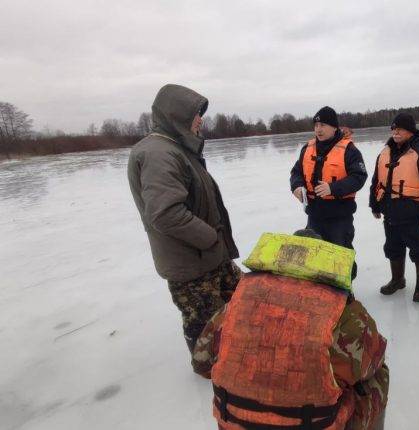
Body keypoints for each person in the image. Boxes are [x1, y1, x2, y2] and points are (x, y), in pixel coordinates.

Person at [193, 230, 389, 430]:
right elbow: (376, 356)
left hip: (234, 424)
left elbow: (200, 363)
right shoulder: (341, 313)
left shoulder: (238, 302)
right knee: (378, 376)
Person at [127, 84, 241, 369]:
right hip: (192, 266)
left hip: (211, 257)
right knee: (206, 330)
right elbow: (165, 213)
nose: (200, 120)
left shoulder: (178, 148)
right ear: (176, 115)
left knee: (238, 308)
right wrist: (210, 238)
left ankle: (231, 358)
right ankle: (212, 372)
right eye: (195, 114)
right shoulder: (158, 154)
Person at [369, 113, 419, 302]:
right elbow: (376, 181)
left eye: (399, 128)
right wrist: (375, 204)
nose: (395, 132)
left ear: (410, 131)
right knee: (393, 247)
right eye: (393, 129)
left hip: (414, 215)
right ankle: (397, 279)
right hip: (390, 213)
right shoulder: (384, 152)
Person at [289, 106, 368, 279]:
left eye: (323, 125)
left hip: (339, 217)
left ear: (334, 127)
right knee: (315, 256)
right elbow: (296, 172)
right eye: (316, 125)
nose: (318, 129)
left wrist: (333, 188)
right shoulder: (307, 148)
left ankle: (346, 292)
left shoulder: (349, 150)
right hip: (314, 215)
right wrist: (296, 186)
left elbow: (359, 177)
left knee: (341, 257)